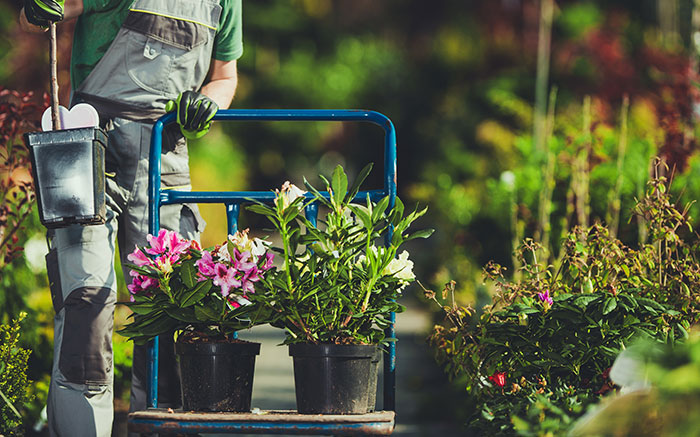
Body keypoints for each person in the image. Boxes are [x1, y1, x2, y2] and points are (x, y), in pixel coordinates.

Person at [19, 0, 242, 435]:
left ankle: (157, 425)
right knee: (87, 306)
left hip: (166, 158)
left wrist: (208, 104)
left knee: (170, 312)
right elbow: (41, 16)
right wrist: (35, 8)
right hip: (91, 154)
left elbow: (224, 77)